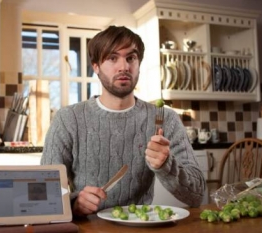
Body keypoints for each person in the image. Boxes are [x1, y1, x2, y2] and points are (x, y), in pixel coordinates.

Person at [41, 25, 205, 217]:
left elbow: (197, 195)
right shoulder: (68, 119)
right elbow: (45, 192)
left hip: (142, 226)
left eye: (131, 58)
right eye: (112, 58)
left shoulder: (164, 118)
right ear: (96, 67)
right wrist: (73, 202)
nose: (124, 66)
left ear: (138, 64)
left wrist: (166, 165)